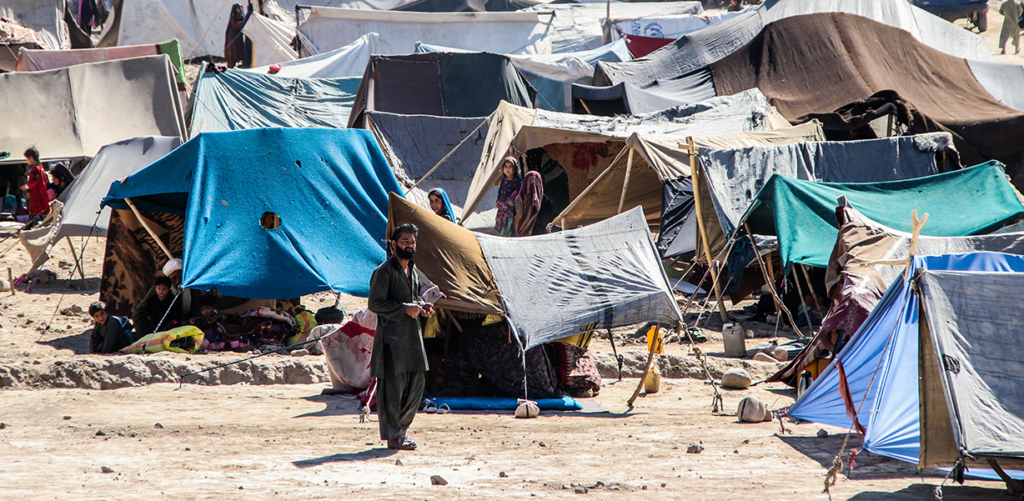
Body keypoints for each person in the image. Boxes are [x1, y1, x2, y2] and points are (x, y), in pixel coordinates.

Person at [368, 224, 433, 450]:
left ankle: (402, 432)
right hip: (391, 341)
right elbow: (375, 304)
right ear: (394, 244)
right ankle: (393, 437)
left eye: (412, 242)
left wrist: (422, 307)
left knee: (416, 387)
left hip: (412, 339)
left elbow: (412, 301)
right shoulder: (384, 271)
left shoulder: (413, 271)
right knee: (393, 391)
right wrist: (405, 308)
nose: (409, 245)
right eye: (405, 241)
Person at [513, 171, 553, 236]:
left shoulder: (519, 199)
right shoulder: (543, 199)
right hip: (539, 233)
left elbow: (515, 216)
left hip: (522, 234)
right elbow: (550, 209)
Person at [494, 157, 522, 236]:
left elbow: (518, 192)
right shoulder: (504, 180)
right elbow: (500, 192)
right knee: (500, 225)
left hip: (511, 209)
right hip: (502, 207)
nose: (508, 169)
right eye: (506, 166)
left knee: (510, 226)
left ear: (515, 168)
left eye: (510, 167)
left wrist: (512, 201)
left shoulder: (517, 181)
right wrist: (498, 201)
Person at [19, 147, 49, 217]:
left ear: (31, 158)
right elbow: (46, 180)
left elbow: (34, 181)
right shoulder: (40, 167)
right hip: (42, 192)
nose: (27, 161)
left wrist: (26, 186)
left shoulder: (35, 169)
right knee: (43, 209)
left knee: (37, 211)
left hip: (37, 194)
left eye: (27, 159)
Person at [224, 3, 252, 68]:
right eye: (239, 8)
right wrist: (243, 22)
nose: (241, 9)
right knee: (232, 52)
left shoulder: (241, 17)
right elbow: (235, 25)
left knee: (239, 50)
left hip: (238, 37)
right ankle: (231, 67)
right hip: (232, 37)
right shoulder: (233, 17)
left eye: (241, 7)